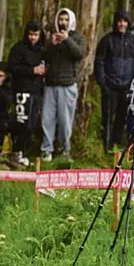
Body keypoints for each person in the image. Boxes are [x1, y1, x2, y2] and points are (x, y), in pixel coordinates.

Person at [41, 8, 86, 162]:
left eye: (66, 19)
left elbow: (79, 54)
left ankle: (65, 150)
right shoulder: (52, 37)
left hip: (68, 84)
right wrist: (53, 44)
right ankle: (46, 149)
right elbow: (45, 57)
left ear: (71, 21)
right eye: (61, 19)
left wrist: (67, 39)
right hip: (51, 83)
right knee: (47, 119)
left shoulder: (78, 37)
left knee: (65, 120)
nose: (63, 22)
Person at [95, 10, 134, 152]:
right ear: (116, 23)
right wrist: (102, 82)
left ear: (129, 23)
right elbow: (99, 62)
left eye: (125, 21)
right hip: (110, 85)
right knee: (107, 116)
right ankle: (106, 146)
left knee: (122, 117)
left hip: (127, 86)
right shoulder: (107, 40)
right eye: (120, 21)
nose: (122, 24)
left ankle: (117, 145)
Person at [7, 21, 45, 166]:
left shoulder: (42, 50)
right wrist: (31, 71)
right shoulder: (18, 48)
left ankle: (24, 152)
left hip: (37, 91)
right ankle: (16, 151)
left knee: (33, 123)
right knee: (22, 122)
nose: (33, 38)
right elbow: (12, 67)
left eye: (36, 35)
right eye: (30, 34)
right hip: (22, 90)